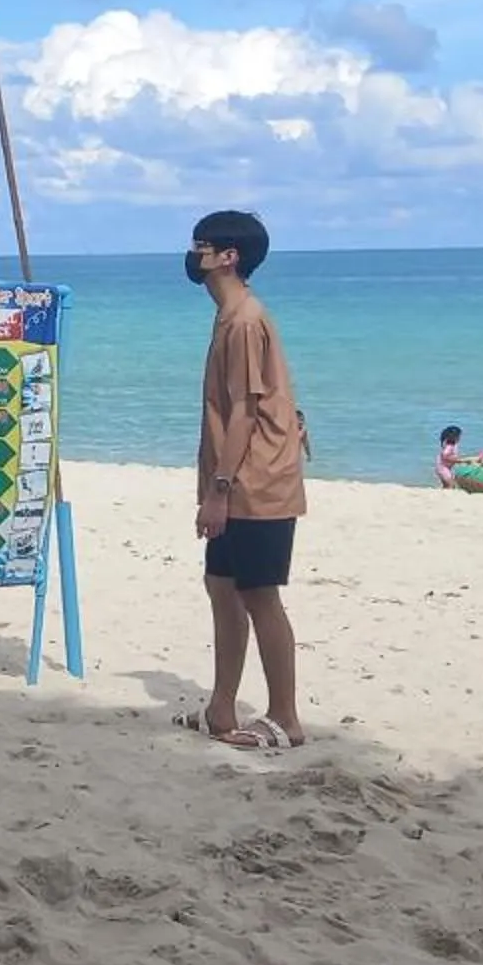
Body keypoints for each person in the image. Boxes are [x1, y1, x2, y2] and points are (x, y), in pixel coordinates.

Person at [178, 211, 309, 752]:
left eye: (200, 245)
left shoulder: (244, 320)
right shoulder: (230, 317)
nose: (192, 254)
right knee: (223, 588)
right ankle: (221, 707)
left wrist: (219, 490)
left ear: (228, 256)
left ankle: (285, 718)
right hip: (239, 480)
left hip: (257, 484)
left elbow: (245, 412)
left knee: (259, 595)